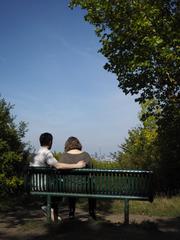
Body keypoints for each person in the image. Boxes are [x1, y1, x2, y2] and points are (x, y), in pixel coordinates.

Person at [30, 132, 86, 222]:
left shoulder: (36, 154)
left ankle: (52, 214)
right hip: (45, 186)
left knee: (59, 185)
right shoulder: (47, 153)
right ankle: (50, 208)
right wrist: (77, 165)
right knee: (64, 185)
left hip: (35, 185)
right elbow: (58, 166)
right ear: (50, 142)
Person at [60, 136, 96, 220]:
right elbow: (92, 171)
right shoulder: (86, 155)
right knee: (92, 188)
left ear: (67, 145)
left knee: (71, 185)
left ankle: (71, 213)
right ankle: (91, 213)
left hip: (68, 187)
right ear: (78, 144)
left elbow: (60, 172)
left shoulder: (64, 156)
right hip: (84, 187)